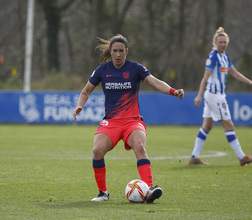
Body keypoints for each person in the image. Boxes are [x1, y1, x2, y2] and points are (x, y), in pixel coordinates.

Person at [73, 34, 184, 202]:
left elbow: (155, 82)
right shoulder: (102, 70)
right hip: (111, 122)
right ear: (110, 52)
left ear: (126, 51)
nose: (118, 55)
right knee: (97, 151)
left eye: (121, 51)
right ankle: (103, 193)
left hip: (132, 121)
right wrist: (80, 105)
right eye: (115, 51)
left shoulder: (135, 69)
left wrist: (173, 91)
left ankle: (149, 189)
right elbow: (86, 90)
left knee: (139, 146)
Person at [189, 27, 252, 166]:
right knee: (229, 124)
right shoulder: (213, 56)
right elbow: (205, 78)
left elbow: (235, 73)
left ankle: (194, 157)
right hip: (214, 96)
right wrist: (199, 96)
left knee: (207, 126)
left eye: (225, 42)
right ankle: (242, 157)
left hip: (217, 96)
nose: (223, 44)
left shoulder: (225, 56)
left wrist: (249, 82)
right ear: (215, 42)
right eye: (220, 42)